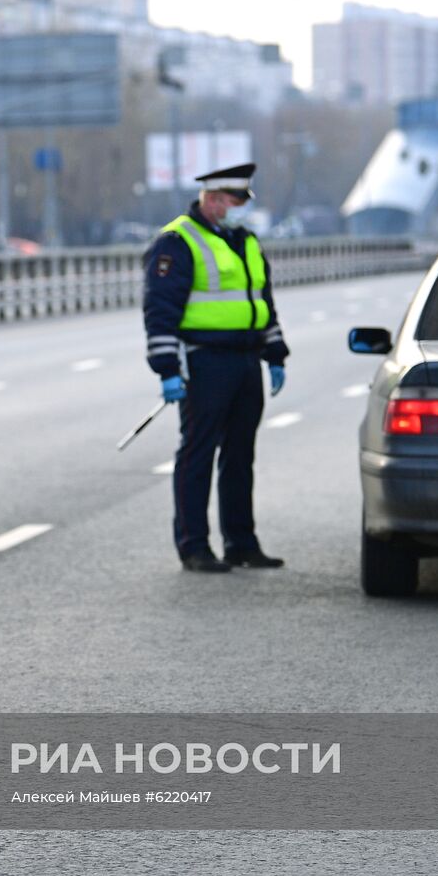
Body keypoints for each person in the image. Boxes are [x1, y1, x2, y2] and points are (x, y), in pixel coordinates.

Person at [141, 163, 290, 573]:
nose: (239, 210)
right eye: (234, 202)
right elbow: (160, 309)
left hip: (244, 360)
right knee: (198, 453)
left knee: (240, 455)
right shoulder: (178, 241)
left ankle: (241, 542)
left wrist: (275, 353)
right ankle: (194, 546)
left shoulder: (245, 241)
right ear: (212, 198)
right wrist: (167, 368)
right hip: (203, 361)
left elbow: (261, 303)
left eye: (242, 202)